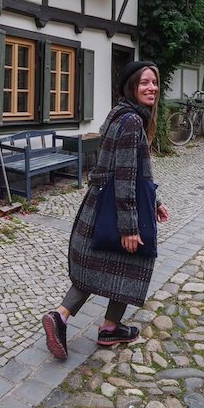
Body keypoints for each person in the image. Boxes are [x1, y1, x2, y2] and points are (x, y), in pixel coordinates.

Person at [42, 60, 170, 359]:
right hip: (116, 205)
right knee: (131, 259)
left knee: (99, 264)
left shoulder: (120, 114)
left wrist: (156, 202)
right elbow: (124, 175)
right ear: (131, 86)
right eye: (144, 83)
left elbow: (136, 170)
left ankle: (94, 324)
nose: (151, 88)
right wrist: (130, 227)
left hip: (102, 201)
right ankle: (80, 320)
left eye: (154, 82)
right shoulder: (132, 121)